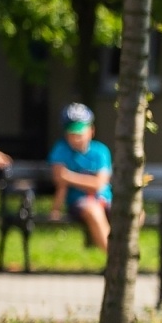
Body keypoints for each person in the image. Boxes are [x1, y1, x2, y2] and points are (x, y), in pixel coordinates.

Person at [48, 103, 111, 252]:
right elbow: (59, 179)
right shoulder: (60, 150)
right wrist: (56, 209)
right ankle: (115, 258)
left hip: (105, 199)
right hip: (79, 203)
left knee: (133, 212)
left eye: (80, 132)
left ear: (91, 130)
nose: (76, 138)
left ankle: (124, 255)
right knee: (93, 210)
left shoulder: (101, 151)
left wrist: (69, 176)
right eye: (71, 133)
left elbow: (99, 184)